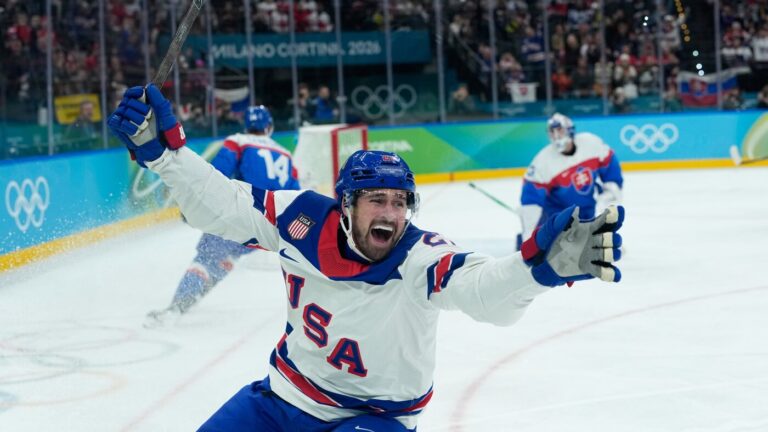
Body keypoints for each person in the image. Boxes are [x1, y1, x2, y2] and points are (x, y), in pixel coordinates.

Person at [108, 84, 624, 431]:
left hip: (376, 417)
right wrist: (164, 154)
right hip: (285, 399)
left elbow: (486, 293)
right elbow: (222, 205)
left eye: (400, 201)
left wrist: (537, 272)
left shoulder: (420, 256)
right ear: (347, 204)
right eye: (378, 199)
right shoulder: (298, 217)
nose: (391, 212)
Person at [145, 105, 300, 327]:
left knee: (207, 258)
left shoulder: (237, 141)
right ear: (269, 126)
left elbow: (215, 175)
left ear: (246, 125)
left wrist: (194, 206)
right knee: (224, 259)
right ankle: (192, 297)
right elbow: (295, 195)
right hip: (267, 228)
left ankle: (177, 306)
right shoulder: (285, 154)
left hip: (238, 215)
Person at [518, 113, 624, 249]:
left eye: (560, 131)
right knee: (554, 252)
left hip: (588, 210)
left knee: (593, 248)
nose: (556, 136)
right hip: (556, 216)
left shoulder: (591, 143)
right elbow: (530, 199)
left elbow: (610, 166)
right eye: (552, 132)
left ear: (570, 130)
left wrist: (610, 193)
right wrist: (529, 236)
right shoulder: (542, 161)